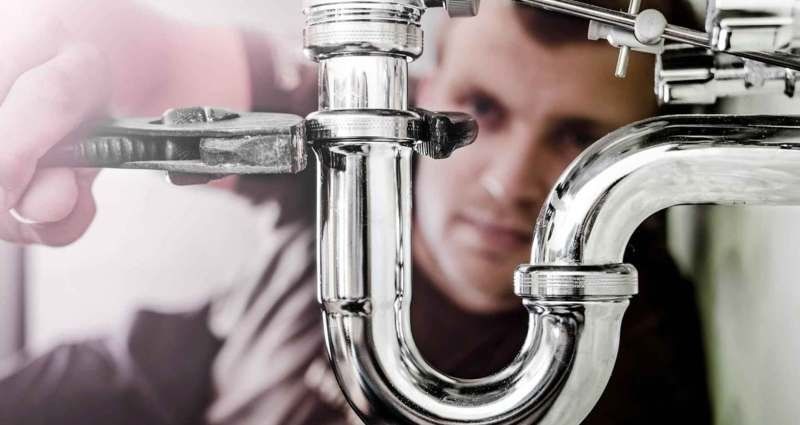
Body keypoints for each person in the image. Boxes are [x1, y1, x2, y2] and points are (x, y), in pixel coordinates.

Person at [0, 0, 711, 424]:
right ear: (424, 90)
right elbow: (139, 55)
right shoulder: (362, 126)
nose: (509, 181)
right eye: (481, 110)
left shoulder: (633, 359)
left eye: (578, 138)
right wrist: (59, 50)